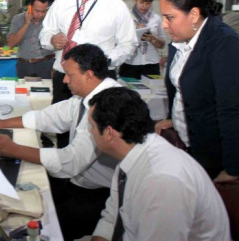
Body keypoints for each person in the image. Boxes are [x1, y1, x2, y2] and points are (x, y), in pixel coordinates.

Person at [0, 44, 121, 240]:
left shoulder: (107, 105)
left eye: (69, 74)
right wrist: (2, 122)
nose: (65, 80)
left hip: (99, 195)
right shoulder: (86, 95)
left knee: (34, 223)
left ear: (88, 75)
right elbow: (49, 117)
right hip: (78, 181)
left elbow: (72, 161)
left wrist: (14, 150)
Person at [88, 87, 230, 241]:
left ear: (109, 133)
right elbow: (112, 217)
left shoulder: (161, 179)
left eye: (92, 126)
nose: (90, 132)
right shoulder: (131, 154)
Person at [39, 0, 137, 148]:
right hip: (64, 75)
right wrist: (51, 39)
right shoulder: (62, 2)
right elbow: (44, 33)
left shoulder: (115, 5)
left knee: (98, 132)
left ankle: (94, 177)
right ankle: (62, 172)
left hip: (99, 79)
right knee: (63, 128)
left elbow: (129, 43)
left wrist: (106, 60)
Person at [155, 0, 239, 182]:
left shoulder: (223, 42)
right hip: (186, 143)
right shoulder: (180, 38)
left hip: (212, 154)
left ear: (193, 15)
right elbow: (180, 88)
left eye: (169, 18)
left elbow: (230, 108)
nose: (164, 25)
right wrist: (173, 118)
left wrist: (233, 168)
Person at [119, 0, 166, 79]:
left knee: (153, 90)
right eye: (141, 2)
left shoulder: (156, 18)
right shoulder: (126, 17)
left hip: (151, 62)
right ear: (135, 0)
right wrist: (135, 29)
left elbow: (162, 44)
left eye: (147, 3)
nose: (144, 6)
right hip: (130, 61)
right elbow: (119, 40)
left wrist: (152, 38)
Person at [7, 0, 54, 79]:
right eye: (37, 11)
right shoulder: (18, 19)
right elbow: (11, 44)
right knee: (22, 91)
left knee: (45, 91)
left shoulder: (51, 20)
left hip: (45, 65)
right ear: (30, 7)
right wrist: (26, 24)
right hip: (23, 65)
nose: (40, 15)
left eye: (43, 11)